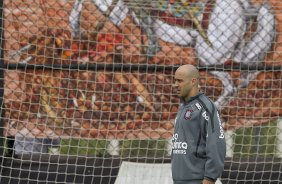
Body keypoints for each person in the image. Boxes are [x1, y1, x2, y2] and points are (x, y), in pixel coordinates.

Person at [171, 64, 226, 184]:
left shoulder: (206, 107)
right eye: (175, 80)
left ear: (193, 81)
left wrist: (210, 178)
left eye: (179, 81)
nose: (175, 84)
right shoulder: (183, 107)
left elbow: (217, 143)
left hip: (197, 180)